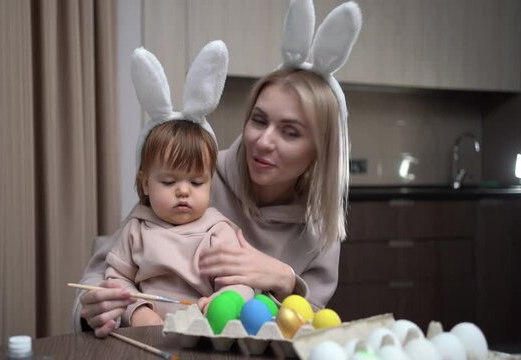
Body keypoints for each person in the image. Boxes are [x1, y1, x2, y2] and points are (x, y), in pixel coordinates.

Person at [73, 0, 362, 337]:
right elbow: (96, 281)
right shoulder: (192, 180)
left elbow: (307, 327)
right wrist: (96, 309)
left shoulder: (320, 226)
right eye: (259, 120)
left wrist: (285, 280)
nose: (264, 141)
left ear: (319, 151)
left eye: (290, 132)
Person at [105, 119, 253, 327]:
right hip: (146, 334)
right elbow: (116, 280)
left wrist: (225, 301)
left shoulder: (218, 231)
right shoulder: (136, 229)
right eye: (169, 182)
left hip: (202, 332)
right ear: (146, 183)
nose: (183, 191)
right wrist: (136, 311)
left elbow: (242, 284)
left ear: (210, 184)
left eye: (196, 182)